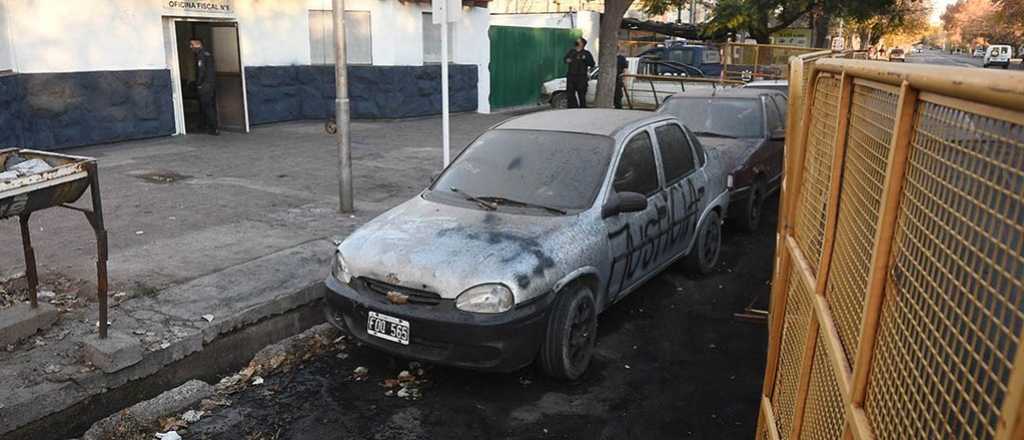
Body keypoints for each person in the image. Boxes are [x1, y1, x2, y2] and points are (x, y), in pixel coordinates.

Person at [191, 38, 219, 135]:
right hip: (211, 84)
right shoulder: (207, 53)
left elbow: (201, 71)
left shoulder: (201, 55)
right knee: (207, 106)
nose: (191, 47)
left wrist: (198, 84)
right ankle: (204, 126)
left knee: (207, 106)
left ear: (198, 45)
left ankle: (213, 128)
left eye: (192, 45)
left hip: (205, 85)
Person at [563, 37, 595, 108]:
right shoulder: (571, 51)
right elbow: (565, 59)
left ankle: (582, 108)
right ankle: (572, 108)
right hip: (571, 76)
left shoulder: (586, 53)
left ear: (582, 44)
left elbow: (592, 64)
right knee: (570, 94)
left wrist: (585, 59)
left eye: (578, 41)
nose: (576, 42)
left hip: (581, 77)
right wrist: (567, 60)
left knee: (582, 94)